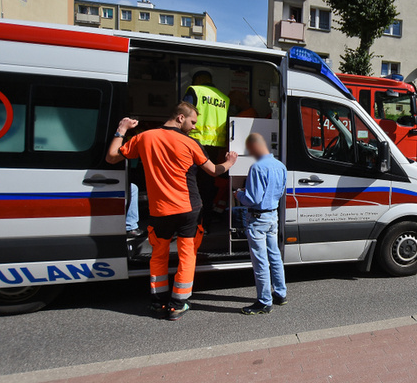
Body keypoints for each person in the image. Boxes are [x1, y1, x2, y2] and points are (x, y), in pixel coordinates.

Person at [106, 103, 238, 321]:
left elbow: (111, 157)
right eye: (192, 122)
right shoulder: (190, 143)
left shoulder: (144, 138)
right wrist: (230, 162)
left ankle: (158, 302)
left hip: (159, 211)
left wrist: (122, 129)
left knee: (158, 255)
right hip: (188, 209)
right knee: (187, 255)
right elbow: (214, 171)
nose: (194, 127)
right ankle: (177, 304)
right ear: (180, 118)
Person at [235, 133, 289, 315]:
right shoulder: (281, 166)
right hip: (273, 216)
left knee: (260, 261)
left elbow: (252, 198)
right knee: (275, 256)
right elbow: (281, 192)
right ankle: (280, 294)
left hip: (257, 219)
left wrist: (239, 194)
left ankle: (264, 301)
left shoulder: (257, 168)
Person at [184, 70, 231, 227]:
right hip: (214, 147)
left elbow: (183, 116)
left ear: (197, 79)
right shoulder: (224, 98)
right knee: (207, 187)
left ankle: (189, 225)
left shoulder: (195, 90)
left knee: (188, 185)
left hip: (193, 143)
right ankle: (205, 224)